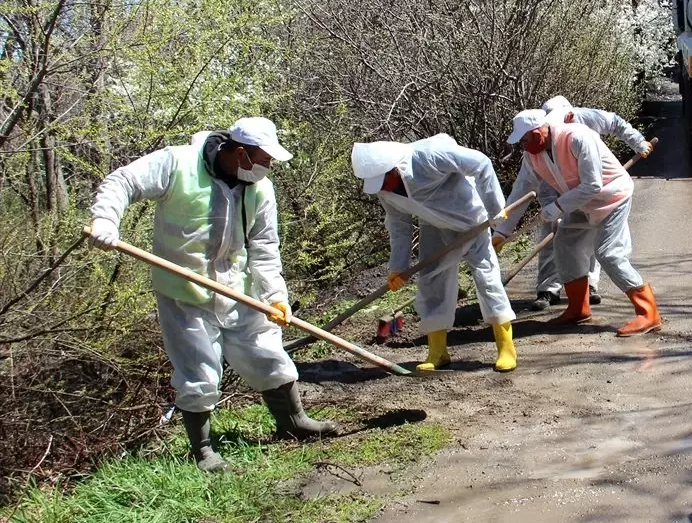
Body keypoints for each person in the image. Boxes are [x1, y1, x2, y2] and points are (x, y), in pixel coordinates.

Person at [89, 118, 336, 472]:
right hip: (184, 292)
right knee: (199, 370)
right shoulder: (177, 164)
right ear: (239, 153)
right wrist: (106, 221)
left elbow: (265, 247)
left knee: (268, 353)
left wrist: (275, 296)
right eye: (263, 159)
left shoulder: (260, 189)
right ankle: (204, 451)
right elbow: (123, 181)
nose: (268, 167)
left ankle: (293, 422)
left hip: (238, 289)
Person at [351, 135, 517, 373]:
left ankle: (505, 347)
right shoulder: (384, 189)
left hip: (471, 220)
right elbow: (399, 226)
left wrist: (495, 209)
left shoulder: (429, 155)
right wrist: (398, 267)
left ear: (394, 169)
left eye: (383, 181)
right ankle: (437, 352)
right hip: (434, 227)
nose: (382, 188)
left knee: (486, 278)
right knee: (431, 282)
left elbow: (480, 163)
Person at [492, 108, 662, 337]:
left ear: (539, 131)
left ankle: (648, 313)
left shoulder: (578, 137)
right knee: (564, 245)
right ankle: (578, 308)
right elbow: (521, 190)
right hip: (579, 203)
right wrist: (502, 231)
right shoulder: (533, 155)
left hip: (612, 198)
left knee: (608, 253)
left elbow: (593, 185)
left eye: (525, 138)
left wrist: (558, 207)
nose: (523, 145)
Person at [527, 96, 654, 311]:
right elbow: (546, 182)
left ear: (570, 114)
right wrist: (554, 207)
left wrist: (638, 142)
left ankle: (593, 286)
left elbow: (615, 123)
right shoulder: (543, 142)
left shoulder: (582, 124)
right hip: (568, 195)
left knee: (603, 246)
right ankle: (551, 290)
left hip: (599, 192)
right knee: (561, 240)